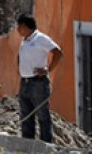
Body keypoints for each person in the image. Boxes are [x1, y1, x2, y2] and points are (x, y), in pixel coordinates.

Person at [15, 13, 63, 143]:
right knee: (26, 115)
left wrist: (48, 69)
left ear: (25, 26)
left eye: (19, 26)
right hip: (25, 82)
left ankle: (46, 145)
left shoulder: (40, 39)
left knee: (42, 115)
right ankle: (27, 144)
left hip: (38, 83)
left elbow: (57, 52)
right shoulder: (25, 40)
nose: (17, 29)